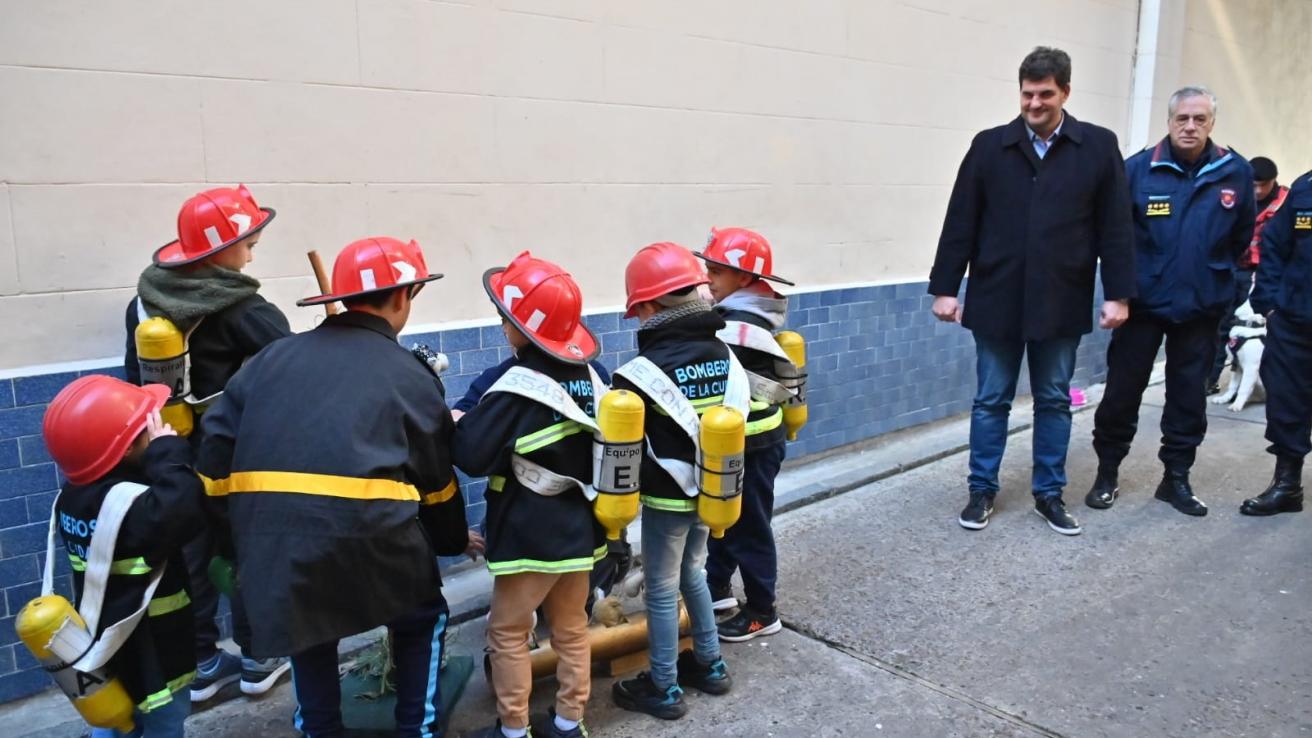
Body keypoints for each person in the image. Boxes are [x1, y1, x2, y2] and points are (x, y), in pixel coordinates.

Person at [196, 237, 477, 738]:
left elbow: (214, 454)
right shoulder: (410, 377)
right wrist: (451, 541)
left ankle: (320, 729)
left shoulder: (269, 360)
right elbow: (436, 486)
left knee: (309, 628)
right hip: (376, 544)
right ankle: (417, 729)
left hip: (277, 548)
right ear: (402, 296)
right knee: (421, 618)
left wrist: (235, 541)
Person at [927, 46, 1135, 535]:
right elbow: (961, 221)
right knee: (991, 399)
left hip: (1061, 298)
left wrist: (1118, 293)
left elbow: (1116, 227)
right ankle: (981, 490)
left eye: (1045, 94)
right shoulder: (989, 147)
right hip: (997, 295)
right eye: (1027, 94)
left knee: (1055, 399)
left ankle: (1049, 493)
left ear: (1065, 91)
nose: (1034, 104)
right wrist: (945, 288)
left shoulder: (1098, 147)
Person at [123, 185, 291, 701]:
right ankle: (260, 657)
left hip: (165, 451)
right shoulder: (242, 307)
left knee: (189, 555)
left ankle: (199, 661)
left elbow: (136, 380)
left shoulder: (144, 302)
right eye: (246, 242)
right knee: (246, 549)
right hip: (233, 456)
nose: (252, 253)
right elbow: (288, 365)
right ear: (219, 251)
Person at [453, 252, 605, 738]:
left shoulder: (517, 386)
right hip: (583, 529)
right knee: (572, 629)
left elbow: (471, 454)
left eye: (506, 318)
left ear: (526, 327)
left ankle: (514, 729)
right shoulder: (591, 375)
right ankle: (568, 722)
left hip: (528, 535)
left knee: (508, 634)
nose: (501, 326)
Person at [1088, 86, 1256, 517]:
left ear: (1212, 123)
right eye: (1182, 118)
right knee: (1122, 394)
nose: (1190, 126)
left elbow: (1241, 235)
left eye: (1200, 119)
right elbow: (1115, 238)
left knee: (1187, 398)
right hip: (1141, 306)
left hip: (1201, 308)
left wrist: (1209, 276)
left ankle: (1175, 479)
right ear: (1169, 121)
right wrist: (1120, 294)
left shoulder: (1233, 171)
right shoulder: (1139, 170)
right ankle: (1107, 472)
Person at [610, 242, 737, 720]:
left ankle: (663, 685)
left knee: (663, 588)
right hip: (714, 490)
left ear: (645, 305)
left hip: (667, 497)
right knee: (695, 575)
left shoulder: (640, 373)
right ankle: (710, 663)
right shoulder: (723, 352)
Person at [43, 376, 207, 737]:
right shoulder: (130, 506)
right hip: (153, 654)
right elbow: (184, 506)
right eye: (149, 425)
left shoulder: (75, 496)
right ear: (127, 449)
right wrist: (168, 452)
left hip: (102, 648)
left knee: (114, 719)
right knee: (161, 723)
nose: (159, 425)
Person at [695, 227, 792, 640]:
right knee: (723, 518)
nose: (708, 278)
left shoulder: (738, 325)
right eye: (707, 268)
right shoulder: (743, 314)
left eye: (717, 270)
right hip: (742, 439)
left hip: (754, 441)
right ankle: (716, 587)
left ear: (745, 278)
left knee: (748, 524)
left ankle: (762, 611)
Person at [1240, 169, 1312, 516]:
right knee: (1286, 403)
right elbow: (1274, 243)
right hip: (1294, 322)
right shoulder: (1305, 188)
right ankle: (1287, 486)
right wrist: (1268, 304)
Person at [1207, 156, 1290, 393]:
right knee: (1222, 326)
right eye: (1253, 184)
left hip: (1265, 276)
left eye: (1263, 185)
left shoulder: (1287, 202)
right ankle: (1210, 379)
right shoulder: (1234, 196)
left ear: (1273, 181)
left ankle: (1272, 386)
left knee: (1265, 332)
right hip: (1232, 269)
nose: (1257, 190)